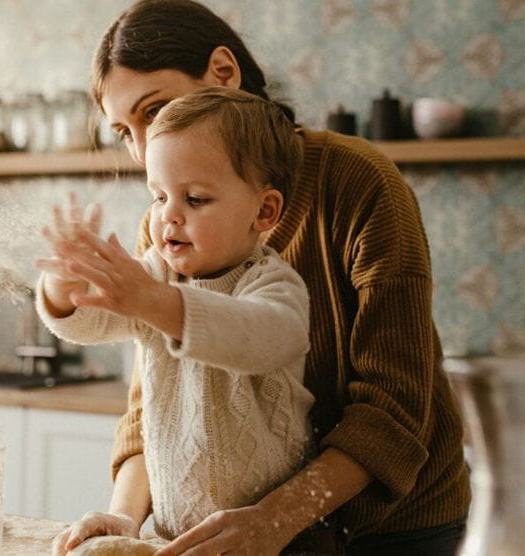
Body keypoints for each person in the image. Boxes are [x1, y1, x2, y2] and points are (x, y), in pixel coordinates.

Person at [52, 0, 471, 554]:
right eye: (124, 132)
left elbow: (394, 401)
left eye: (153, 112)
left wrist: (276, 520)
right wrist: (124, 515)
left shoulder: (359, 183)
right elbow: (151, 400)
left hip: (392, 527)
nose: (144, 149)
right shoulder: (166, 229)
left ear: (225, 73)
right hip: (243, 532)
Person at [38, 87, 316, 550]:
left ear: (263, 210)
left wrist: (152, 300)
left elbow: (259, 336)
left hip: (269, 543)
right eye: (159, 195)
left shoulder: (275, 285)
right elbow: (88, 322)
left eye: (196, 199)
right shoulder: (158, 278)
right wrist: (64, 285)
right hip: (171, 537)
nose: (169, 215)